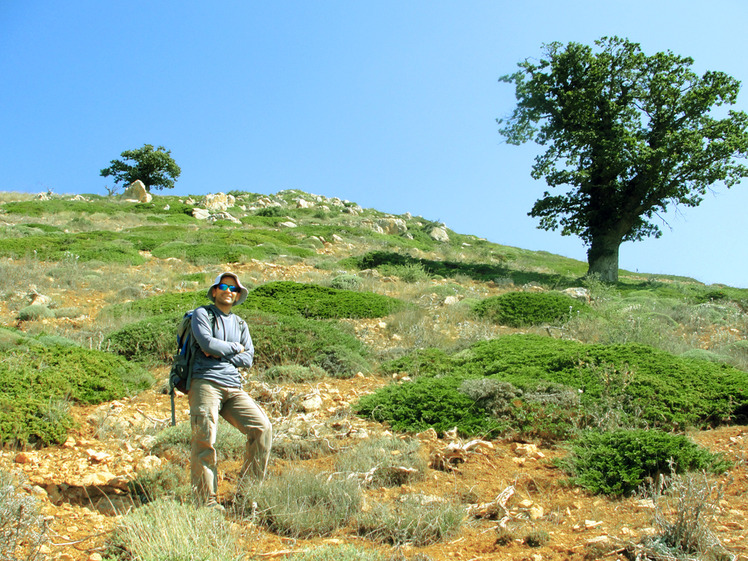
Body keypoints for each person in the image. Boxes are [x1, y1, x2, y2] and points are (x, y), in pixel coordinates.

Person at [189, 271, 272, 509]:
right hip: (205, 382)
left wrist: (222, 350)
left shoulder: (241, 324)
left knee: (262, 428)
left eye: (233, 289)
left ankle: (248, 495)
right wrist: (235, 348)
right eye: (223, 287)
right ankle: (206, 502)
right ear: (214, 291)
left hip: (233, 387)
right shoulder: (202, 314)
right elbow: (206, 343)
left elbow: (249, 359)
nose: (228, 291)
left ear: (237, 296)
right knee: (205, 439)